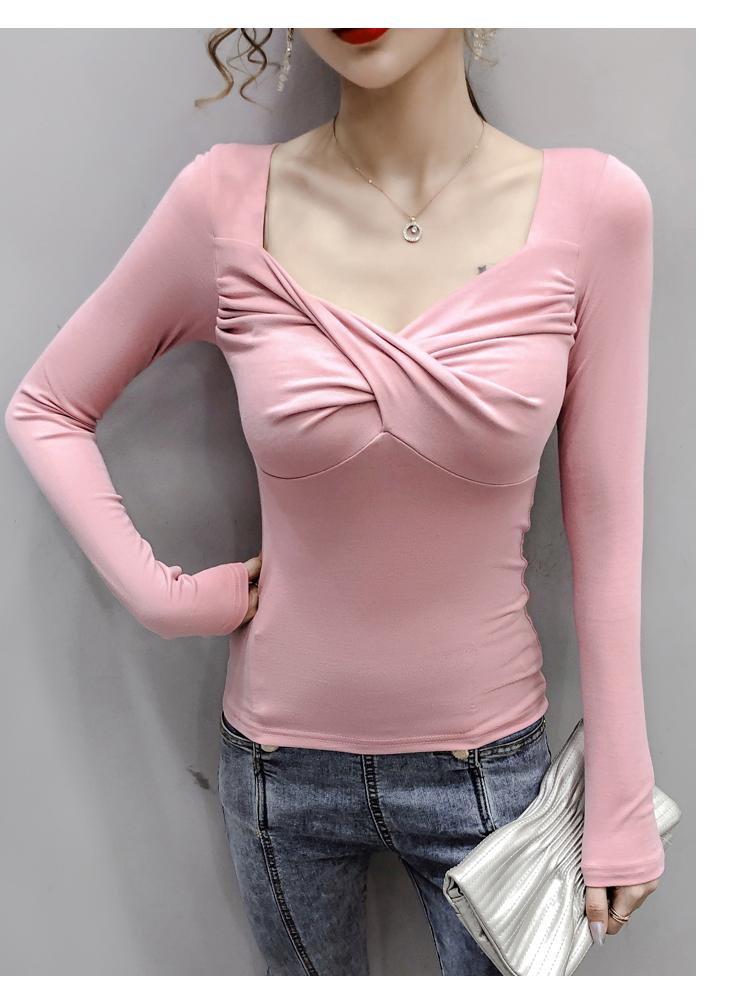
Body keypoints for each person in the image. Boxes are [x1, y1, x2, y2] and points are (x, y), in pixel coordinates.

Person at [4, 28, 665, 975]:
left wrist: (622, 799)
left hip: (490, 778)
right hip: (281, 774)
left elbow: (605, 530)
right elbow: (47, 405)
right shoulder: (222, 205)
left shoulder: (597, 210)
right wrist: (166, 597)